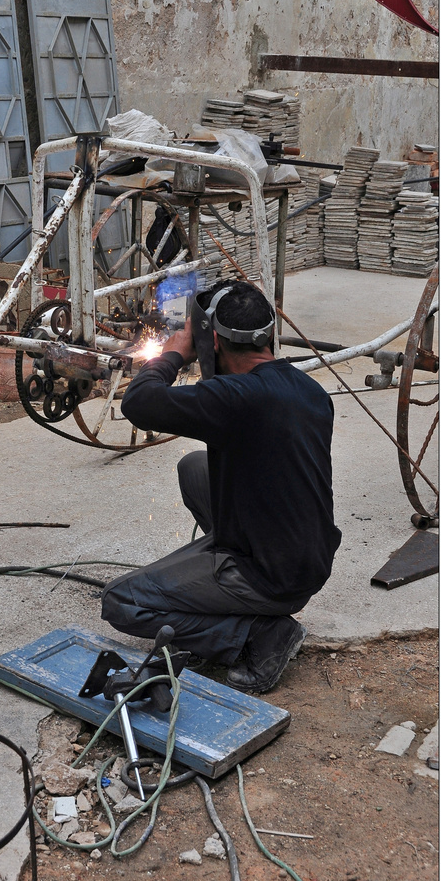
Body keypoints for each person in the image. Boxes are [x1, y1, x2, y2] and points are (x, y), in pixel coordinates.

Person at [101, 279, 341, 693]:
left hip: (270, 577)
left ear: (212, 340)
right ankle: (227, 570)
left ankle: (257, 634)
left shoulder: (233, 397)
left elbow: (139, 403)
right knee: (194, 467)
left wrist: (175, 351)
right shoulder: (311, 390)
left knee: (122, 602)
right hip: (307, 556)